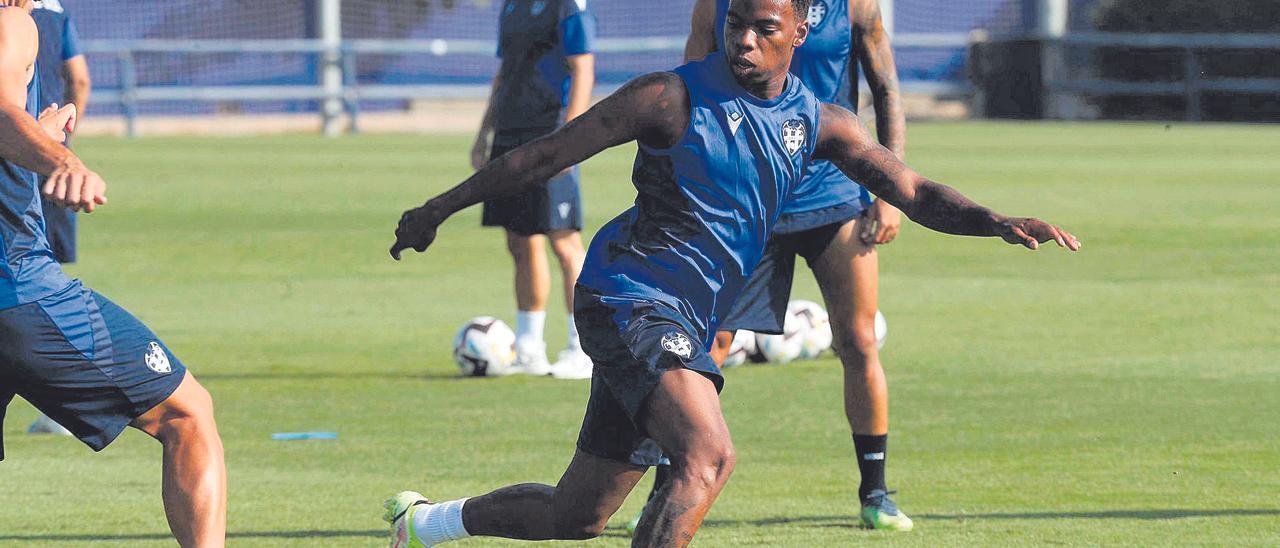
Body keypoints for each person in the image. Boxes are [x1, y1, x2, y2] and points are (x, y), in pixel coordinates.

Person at [385, 0, 1079, 545]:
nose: (743, 39)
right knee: (708, 455)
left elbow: (915, 190)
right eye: (735, 23)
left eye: (763, 28)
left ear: (799, 34)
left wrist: (994, 220)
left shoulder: (820, 122)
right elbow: (545, 156)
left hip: (685, 316)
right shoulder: (667, 97)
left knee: (579, 514)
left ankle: (423, 524)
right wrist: (436, 209)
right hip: (629, 297)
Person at [632, 0, 915, 531]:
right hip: (746, 198)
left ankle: (875, 492)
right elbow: (691, 92)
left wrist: (890, 188)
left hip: (833, 195)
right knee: (702, 347)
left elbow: (887, 88)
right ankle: (666, 491)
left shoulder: (856, 5)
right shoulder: (720, 6)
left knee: (857, 340)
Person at [0, 3, 227, 546]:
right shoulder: (11, 21)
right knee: (187, 415)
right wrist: (63, 161)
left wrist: (38, 131)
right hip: (19, 291)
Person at [472, 0, 596, 379]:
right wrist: (484, 132)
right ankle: (529, 350)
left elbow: (583, 68)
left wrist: (572, 137)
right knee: (519, 241)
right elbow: (504, 72)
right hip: (510, 133)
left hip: (550, 130)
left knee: (564, 242)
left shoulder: (567, 7)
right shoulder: (511, 7)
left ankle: (583, 349)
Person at [25, 0, 92, 437]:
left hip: (10, 158)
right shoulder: (54, 10)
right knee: (46, 275)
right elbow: (80, 79)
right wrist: (62, 147)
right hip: (46, 155)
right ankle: (64, 405)